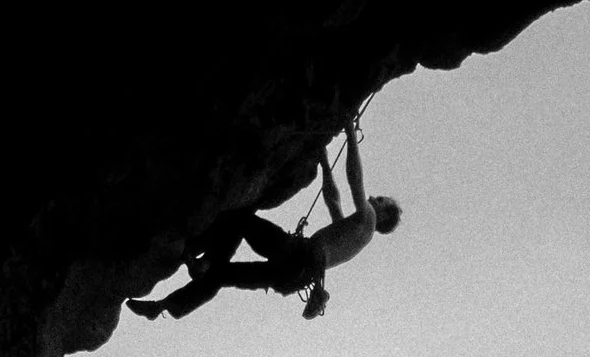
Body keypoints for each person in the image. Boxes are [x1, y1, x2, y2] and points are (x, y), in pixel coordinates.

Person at [128, 119, 399, 323]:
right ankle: (164, 305)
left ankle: (207, 262)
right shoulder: (356, 232)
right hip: (295, 277)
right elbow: (333, 201)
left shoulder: (369, 219)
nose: (376, 198)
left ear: (384, 214)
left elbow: (356, 181)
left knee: (241, 216)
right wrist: (326, 164)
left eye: (382, 200)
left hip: (299, 256)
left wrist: (351, 134)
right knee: (223, 276)